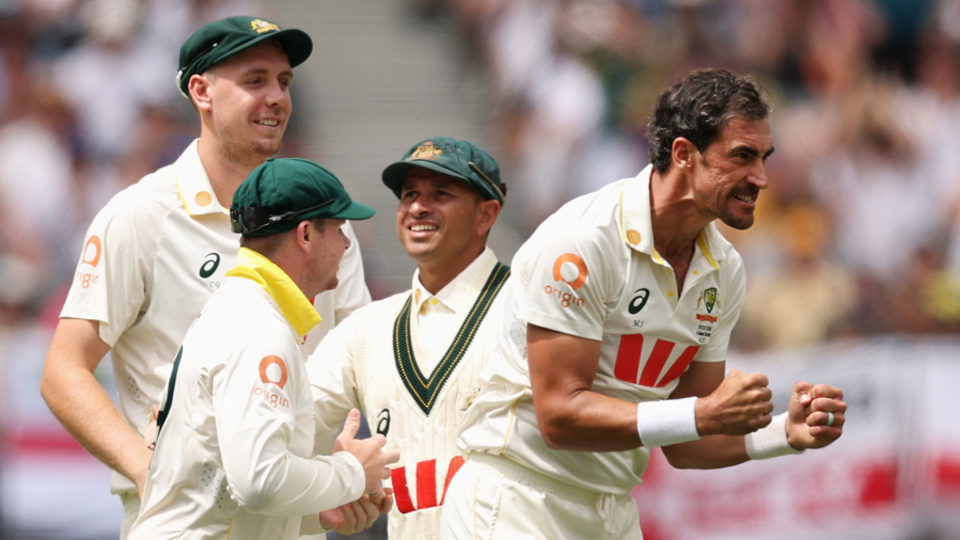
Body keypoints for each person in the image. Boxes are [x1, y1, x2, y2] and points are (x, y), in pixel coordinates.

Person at [441, 69, 848, 539]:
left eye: (764, 158)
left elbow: (688, 444)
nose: (760, 178)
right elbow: (559, 416)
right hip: (514, 503)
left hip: (612, 513)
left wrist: (785, 433)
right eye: (742, 156)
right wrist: (701, 415)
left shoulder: (725, 269)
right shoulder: (583, 241)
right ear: (683, 154)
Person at [39, 16, 371, 537]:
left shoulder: (325, 225)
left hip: (292, 516)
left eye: (284, 82)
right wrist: (149, 470)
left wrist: (332, 479)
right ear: (201, 90)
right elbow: (63, 372)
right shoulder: (141, 215)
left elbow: (353, 362)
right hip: (190, 522)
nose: (277, 98)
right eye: (254, 80)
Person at [129, 158, 398, 539]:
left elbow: (224, 488)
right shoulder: (258, 330)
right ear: (305, 235)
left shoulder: (242, 312)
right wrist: (352, 471)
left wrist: (320, 511)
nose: (344, 244)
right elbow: (260, 481)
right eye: (339, 229)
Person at [307, 137, 508, 539]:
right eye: (409, 193)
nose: (417, 207)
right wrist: (335, 473)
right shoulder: (366, 329)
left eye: (441, 193)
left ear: (486, 215)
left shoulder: (529, 311)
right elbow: (290, 423)